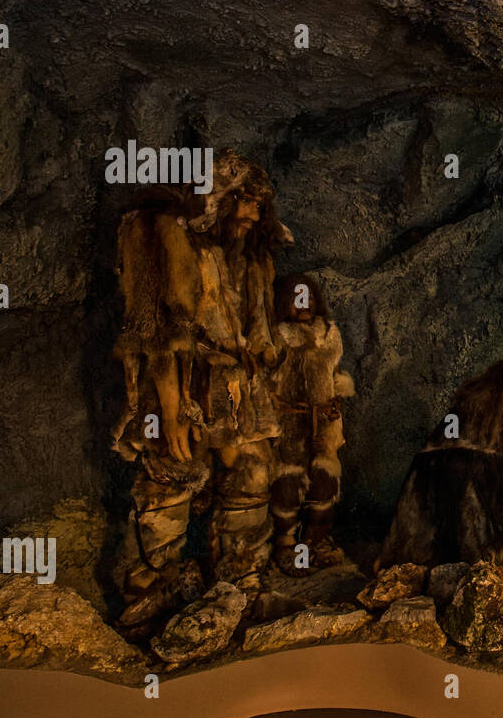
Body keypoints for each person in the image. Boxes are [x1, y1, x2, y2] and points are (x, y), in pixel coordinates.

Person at [110, 150, 291, 628]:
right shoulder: (166, 235)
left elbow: (257, 330)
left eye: (258, 205)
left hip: (237, 391)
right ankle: (147, 592)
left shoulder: (249, 257)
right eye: (244, 201)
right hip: (182, 387)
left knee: (252, 475)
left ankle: (239, 581)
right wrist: (169, 408)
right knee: (171, 477)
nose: (252, 214)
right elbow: (156, 331)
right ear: (218, 198)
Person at [378, 357, 503, 568]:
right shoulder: (468, 427)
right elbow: (470, 480)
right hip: (433, 532)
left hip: (432, 528)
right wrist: (502, 541)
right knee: (472, 469)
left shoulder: (484, 421)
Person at [269, 273, 354, 576]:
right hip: (290, 427)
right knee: (288, 487)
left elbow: (337, 376)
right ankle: (286, 545)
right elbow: (265, 379)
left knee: (323, 483)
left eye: (308, 298)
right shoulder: (277, 337)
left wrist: (336, 400)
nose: (304, 304)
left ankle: (314, 542)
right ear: (284, 303)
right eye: (297, 298)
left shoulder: (329, 336)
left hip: (324, 428)